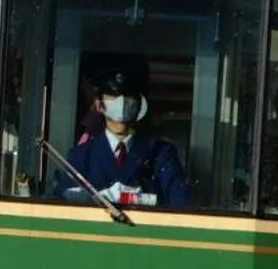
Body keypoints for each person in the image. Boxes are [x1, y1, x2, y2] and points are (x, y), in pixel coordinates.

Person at [55, 68, 189, 205]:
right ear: (99, 104)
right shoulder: (80, 156)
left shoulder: (161, 153)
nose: (122, 101)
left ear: (140, 104)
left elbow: (179, 204)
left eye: (129, 95)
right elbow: (66, 205)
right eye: (113, 95)